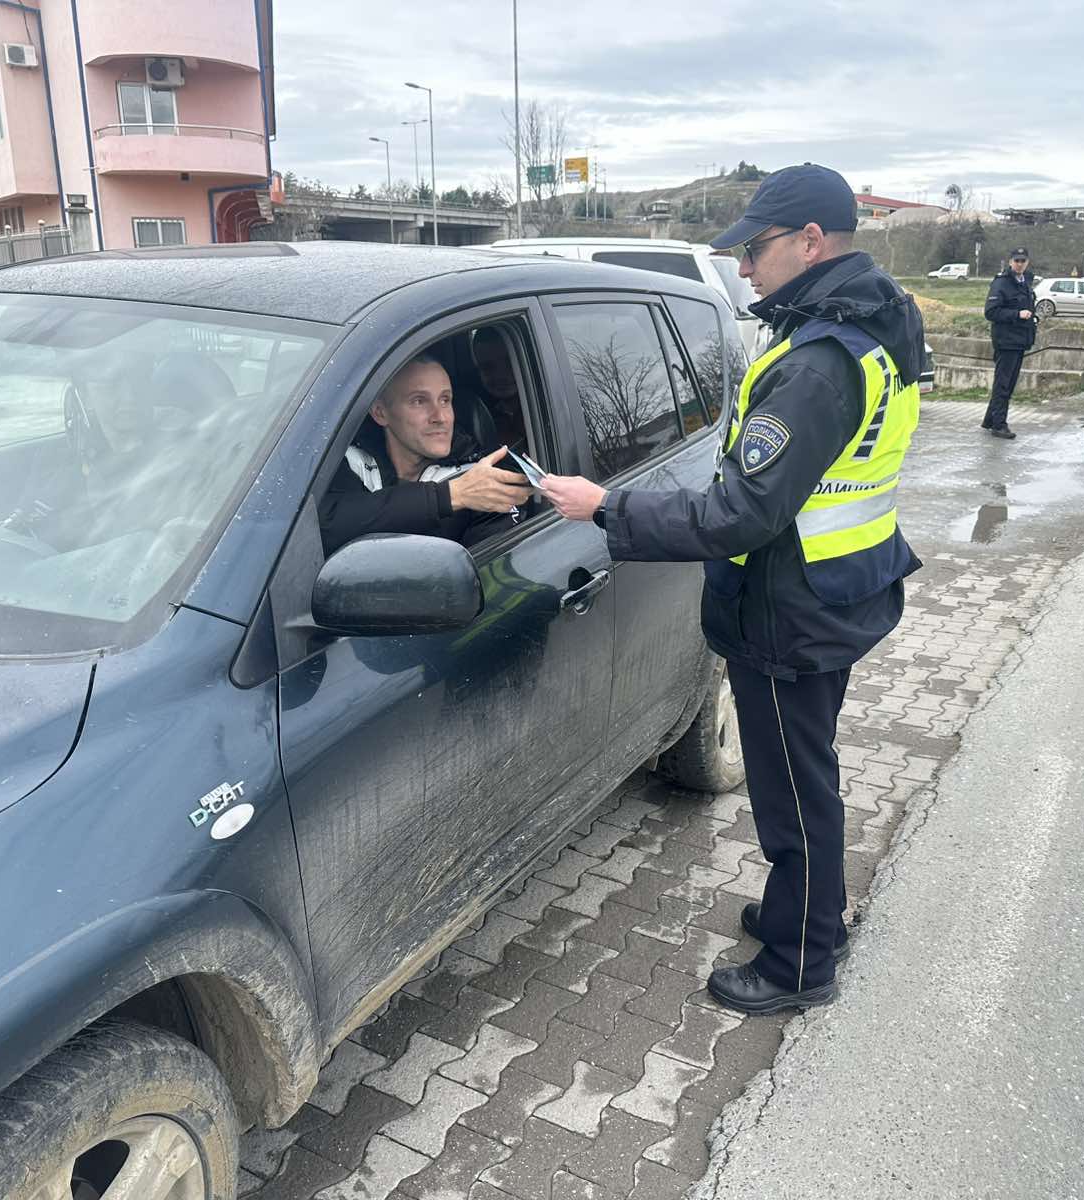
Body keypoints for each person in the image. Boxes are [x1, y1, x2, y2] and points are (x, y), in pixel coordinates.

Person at [540, 164, 925, 1015]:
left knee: (793, 790)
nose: (743, 269)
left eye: (754, 250)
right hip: (830, 592)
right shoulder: (861, 323)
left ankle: (800, 963)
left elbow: (739, 515)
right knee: (804, 776)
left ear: (811, 242)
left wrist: (607, 506)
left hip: (792, 613)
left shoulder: (819, 364)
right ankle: (808, 912)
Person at [318, 355, 532, 555]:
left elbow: (480, 579)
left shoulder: (483, 480)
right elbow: (324, 527)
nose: (440, 417)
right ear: (380, 413)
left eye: (445, 400)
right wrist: (449, 496)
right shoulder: (346, 461)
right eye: (419, 401)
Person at [982, 247, 1036, 439]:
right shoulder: (1001, 284)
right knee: (1003, 385)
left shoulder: (1026, 281)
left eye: (1023, 261)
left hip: (1020, 340)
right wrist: (1016, 314)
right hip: (1006, 341)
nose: (1020, 264)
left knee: (1008, 383)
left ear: (1027, 262)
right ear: (1010, 262)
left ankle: (990, 419)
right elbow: (990, 312)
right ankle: (999, 425)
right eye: (1017, 261)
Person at [468, 327, 529, 453]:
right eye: (488, 367)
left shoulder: (545, 412)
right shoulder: (479, 421)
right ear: (478, 371)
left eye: (510, 363)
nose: (501, 375)